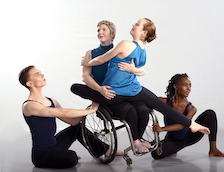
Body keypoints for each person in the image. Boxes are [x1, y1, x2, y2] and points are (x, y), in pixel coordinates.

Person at [71, 18, 210, 139]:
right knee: (161, 106)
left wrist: (87, 63)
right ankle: (192, 124)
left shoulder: (125, 44)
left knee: (75, 88)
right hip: (132, 91)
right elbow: (141, 69)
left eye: (137, 24)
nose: (133, 24)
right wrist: (135, 70)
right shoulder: (142, 50)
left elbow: (101, 60)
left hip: (117, 92)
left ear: (143, 33)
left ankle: (137, 139)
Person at [72, 20, 151, 153]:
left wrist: (134, 70)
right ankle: (135, 142)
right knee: (130, 110)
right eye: (98, 30)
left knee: (143, 110)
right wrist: (100, 89)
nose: (100, 32)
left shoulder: (122, 49)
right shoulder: (90, 53)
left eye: (104, 30)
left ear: (112, 34)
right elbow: (85, 76)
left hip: (125, 91)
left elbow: (139, 69)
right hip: (106, 94)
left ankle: (137, 139)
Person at [19, 65, 109, 169]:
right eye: (37, 75)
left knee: (77, 128)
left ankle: (106, 150)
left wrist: (94, 102)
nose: (42, 75)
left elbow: (73, 121)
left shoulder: (51, 101)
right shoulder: (29, 105)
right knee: (72, 158)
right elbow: (63, 112)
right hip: (42, 154)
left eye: (40, 72)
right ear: (29, 83)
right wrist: (90, 110)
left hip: (55, 145)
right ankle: (63, 155)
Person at [151, 73, 224, 159]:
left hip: (190, 136)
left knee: (210, 114)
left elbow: (183, 125)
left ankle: (213, 149)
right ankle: (172, 148)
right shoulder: (165, 102)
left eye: (190, 86)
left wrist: (161, 129)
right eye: (185, 85)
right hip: (173, 140)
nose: (189, 89)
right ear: (175, 86)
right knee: (155, 154)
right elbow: (150, 100)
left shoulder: (191, 108)